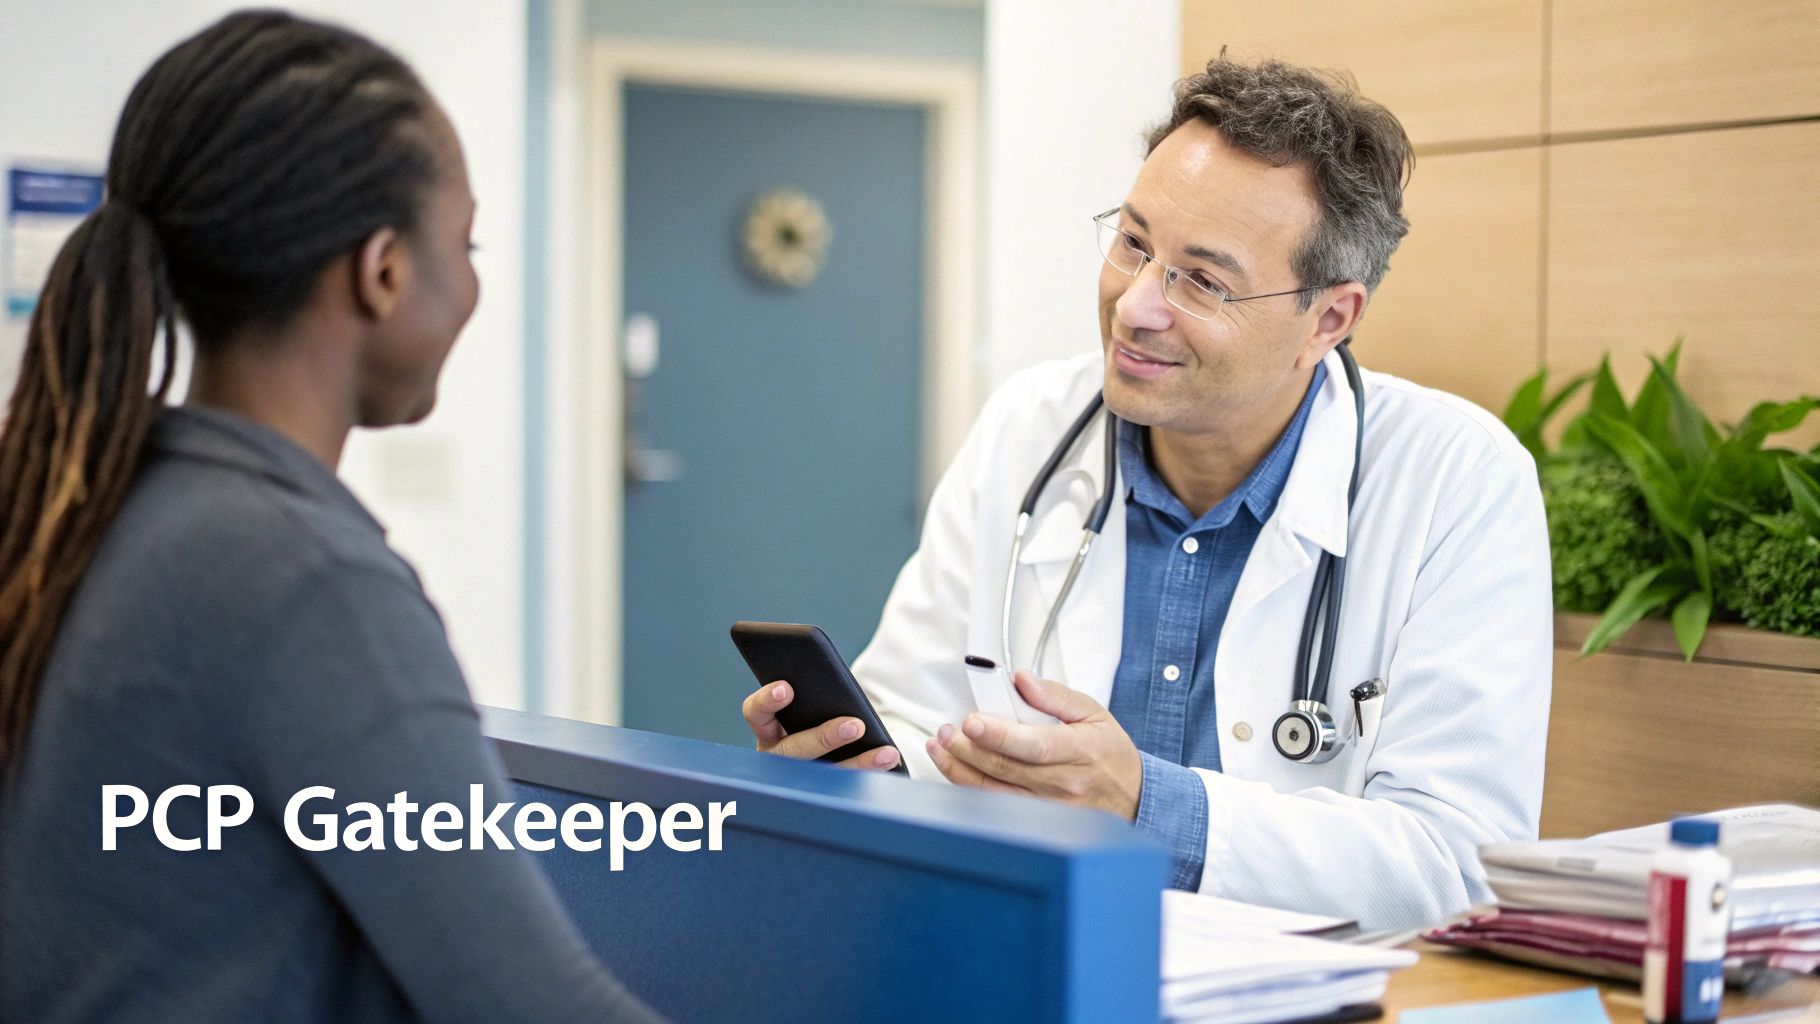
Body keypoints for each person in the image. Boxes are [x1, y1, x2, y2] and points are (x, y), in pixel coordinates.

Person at [741, 56, 1552, 930]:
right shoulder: (1029, 427)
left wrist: (1151, 808)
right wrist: (848, 767)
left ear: (1329, 319)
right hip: (1036, 959)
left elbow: (1461, 863)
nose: (1135, 304)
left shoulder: (1456, 480)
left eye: (1202, 279)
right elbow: (909, 711)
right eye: (1134, 243)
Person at [0, 12, 660, 1022]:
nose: (472, 279)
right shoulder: (300, 575)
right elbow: (529, 1002)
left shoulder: (99, 504)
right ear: (383, 269)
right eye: (465, 242)